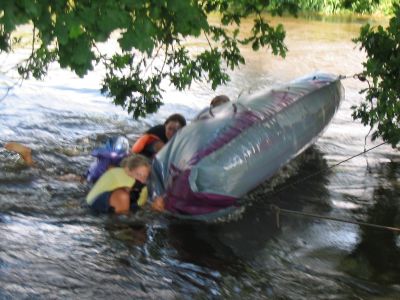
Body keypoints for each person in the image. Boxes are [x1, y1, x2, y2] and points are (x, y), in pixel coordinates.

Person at [86, 154, 151, 214]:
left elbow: (138, 207)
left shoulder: (141, 190)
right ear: (127, 171)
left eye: (145, 177)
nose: (142, 180)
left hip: (112, 212)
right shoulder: (117, 177)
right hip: (94, 209)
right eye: (138, 174)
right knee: (122, 195)